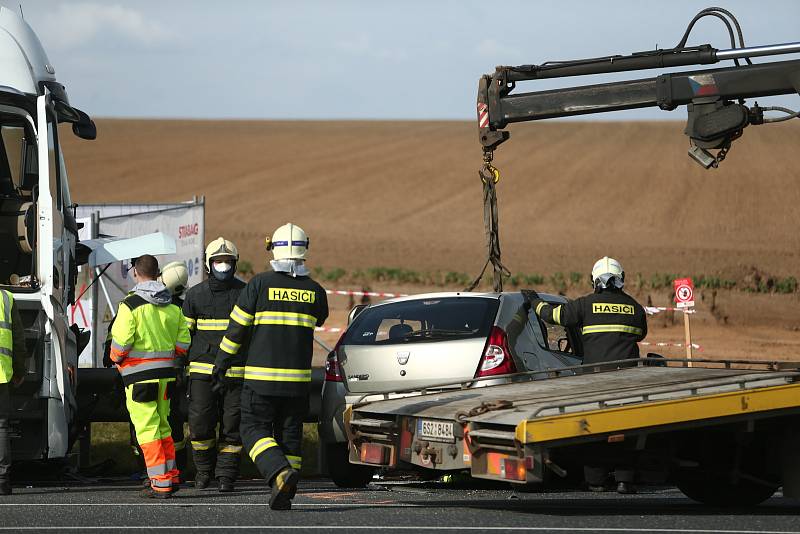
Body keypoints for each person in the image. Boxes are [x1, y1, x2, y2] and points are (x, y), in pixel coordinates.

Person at [217, 223, 328, 510]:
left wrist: (221, 364)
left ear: (273, 249)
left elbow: (236, 330)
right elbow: (321, 319)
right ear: (305, 249)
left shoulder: (259, 284)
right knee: (290, 435)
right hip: (298, 385)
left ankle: (279, 472)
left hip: (260, 381)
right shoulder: (315, 291)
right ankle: (284, 491)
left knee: (252, 429)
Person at [523, 256, 647, 494]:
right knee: (626, 428)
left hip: (594, 380)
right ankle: (624, 480)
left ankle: (596, 481)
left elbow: (554, 316)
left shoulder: (585, 305)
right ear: (622, 280)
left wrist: (534, 300)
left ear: (594, 281)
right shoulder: (635, 308)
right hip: (627, 381)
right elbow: (640, 334)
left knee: (594, 430)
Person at [109, 255, 191, 498]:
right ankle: (171, 475)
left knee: (147, 430)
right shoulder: (173, 306)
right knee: (164, 425)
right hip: (166, 376)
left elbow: (121, 344)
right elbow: (183, 344)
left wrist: (116, 359)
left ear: (135, 272)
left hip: (138, 378)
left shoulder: (130, 305)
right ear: (158, 274)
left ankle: (160, 482)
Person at [182, 238, 246, 492]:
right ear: (209, 265)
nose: (223, 266)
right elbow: (184, 337)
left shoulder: (246, 293)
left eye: (228, 261)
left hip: (236, 372)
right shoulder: (195, 295)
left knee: (233, 426)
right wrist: (179, 366)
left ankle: (226, 475)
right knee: (199, 425)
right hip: (202, 372)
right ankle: (204, 471)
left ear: (235, 264)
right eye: (218, 261)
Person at [0, 289, 30, 495]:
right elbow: (18, 339)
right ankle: (1, 479)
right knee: (0, 425)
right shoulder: (5, 298)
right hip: (1, 372)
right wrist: (20, 370)